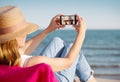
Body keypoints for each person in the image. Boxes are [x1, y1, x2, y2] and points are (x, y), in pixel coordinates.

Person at [0, 5, 96, 82]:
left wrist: (49, 29)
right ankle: (90, 79)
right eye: (24, 31)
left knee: (56, 41)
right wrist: (82, 33)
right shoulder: (33, 62)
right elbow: (68, 62)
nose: (26, 34)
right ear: (16, 38)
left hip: (30, 75)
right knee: (72, 48)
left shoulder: (7, 57)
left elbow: (23, 49)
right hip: (52, 79)